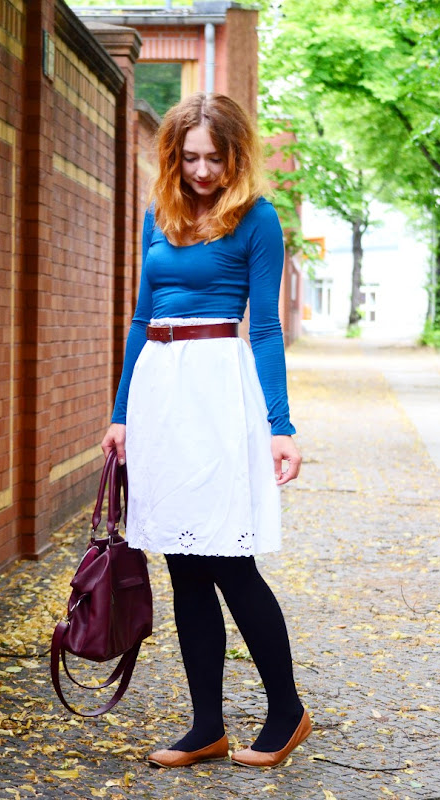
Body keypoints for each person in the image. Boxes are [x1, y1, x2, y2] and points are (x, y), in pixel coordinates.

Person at [101, 92, 310, 769]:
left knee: (228, 560)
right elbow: (139, 319)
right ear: (173, 156)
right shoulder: (157, 218)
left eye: (213, 158)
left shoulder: (257, 220)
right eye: (188, 157)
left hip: (219, 391)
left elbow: (269, 329)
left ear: (234, 155)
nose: (200, 171)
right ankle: (207, 726)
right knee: (183, 567)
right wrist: (121, 413)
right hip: (161, 389)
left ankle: (286, 710)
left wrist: (281, 425)